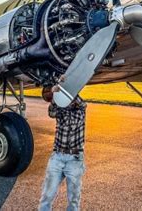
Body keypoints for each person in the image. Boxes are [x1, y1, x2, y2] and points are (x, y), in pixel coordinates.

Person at [39, 78, 87, 211]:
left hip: (75, 159)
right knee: (47, 195)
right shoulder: (60, 111)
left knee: (74, 199)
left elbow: (82, 103)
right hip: (58, 157)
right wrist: (54, 94)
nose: (69, 102)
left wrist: (69, 91)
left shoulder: (81, 111)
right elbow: (51, 112)